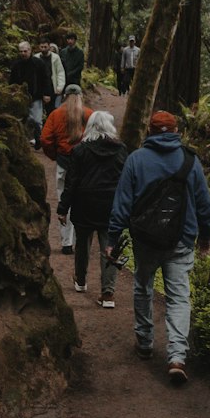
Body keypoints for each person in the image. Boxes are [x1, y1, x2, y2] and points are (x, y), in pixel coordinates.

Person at [106, 109, 210, 385]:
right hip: (181, 240)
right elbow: (204, 203)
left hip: (145, 240)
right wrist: (205, 237)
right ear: (177, 132)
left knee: (143, 285)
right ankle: (177, 356)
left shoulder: (136, 160)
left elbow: (122, 202)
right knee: (179, 296)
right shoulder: (190, 160)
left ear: (150, 132)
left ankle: (144, 342)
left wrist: (113, 238)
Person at [58, 111, 128, 307]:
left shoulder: (80, 150)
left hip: (84, 203)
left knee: (82, 243)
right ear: (110, 126)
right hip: (111, 205)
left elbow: (70, 182)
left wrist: (63, 208)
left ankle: (81, 280)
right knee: (110, 246)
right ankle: (108, 294)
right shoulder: (121, 150)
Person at [40, 85, 92, 252]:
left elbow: (45, 139)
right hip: (84, 166)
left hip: (64, 164)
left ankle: (66, 243)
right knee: (82, 201)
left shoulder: (56, 114)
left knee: (64, 200)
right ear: (80, 96)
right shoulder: (89, 114)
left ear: (65, 96)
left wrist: (54, 155)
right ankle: (81, 241)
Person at [9, 40, 47, 148]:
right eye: (21, 51)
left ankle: (39, 139)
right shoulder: (16, 64)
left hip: (36, 96)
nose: (23, 53)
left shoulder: (38, 63)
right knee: (22, 120)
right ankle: (23, 141)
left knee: (36, 120)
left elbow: (45, 79)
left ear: (30, 50)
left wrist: (46, 93)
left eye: (25, 51)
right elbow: (12, 81)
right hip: (20, 97)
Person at [47, 41, 66, 110]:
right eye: (50, 50)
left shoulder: (61, 61)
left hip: (58, 88)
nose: (52, 52)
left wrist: (61, 87)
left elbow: (62, 74)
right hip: (49, 88)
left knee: (56, 106)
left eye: (54, 50)